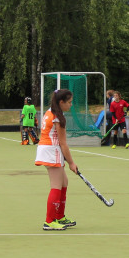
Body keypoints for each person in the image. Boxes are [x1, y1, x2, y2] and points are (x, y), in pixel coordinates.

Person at [35, 89, 80, 231]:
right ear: (61, 102)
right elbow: (63, 143)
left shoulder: (50, 111)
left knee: (64, 182)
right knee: (56, 185)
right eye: (69, 102)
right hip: (51, 151)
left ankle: (59, 216)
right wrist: (71, 162)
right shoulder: (57, 117)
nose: (71, 105)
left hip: (49, 150)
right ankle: (49, 221)